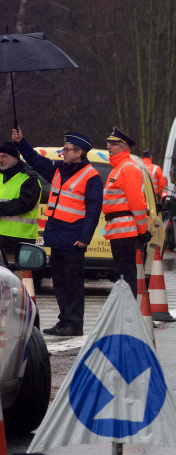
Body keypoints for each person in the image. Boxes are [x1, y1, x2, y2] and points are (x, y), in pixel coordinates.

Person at [12, 128, 103, 337]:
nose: (63, 152)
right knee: (60, 283)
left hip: (73, 238)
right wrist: (21, 142)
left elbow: (93, 210)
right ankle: (64, 321)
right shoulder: (59, 169)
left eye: (67, 149)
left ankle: (74, 323)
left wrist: (84, 238)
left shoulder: (91, 176)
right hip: (57, 235)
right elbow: (35, 160)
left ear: (78, 153)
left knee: (73, 283)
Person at [104, 127, 149, 298]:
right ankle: (125, 312)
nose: (108, 147)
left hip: (125, 230)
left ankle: (128, 314)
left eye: (113, 144)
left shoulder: (127, 167)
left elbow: (137, 203)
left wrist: (142, 231)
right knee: (122, 274)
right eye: (108, 143)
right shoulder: (119, 167)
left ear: (124, 148)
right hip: (119, 230)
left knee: (126, 274)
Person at [0, 141, 41, 273]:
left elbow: (25, 204)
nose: (0, 160)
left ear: (15, 158)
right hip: (1, 238)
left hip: (20, 240)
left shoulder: (29, 178)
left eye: (4, 156)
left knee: (20, 282)